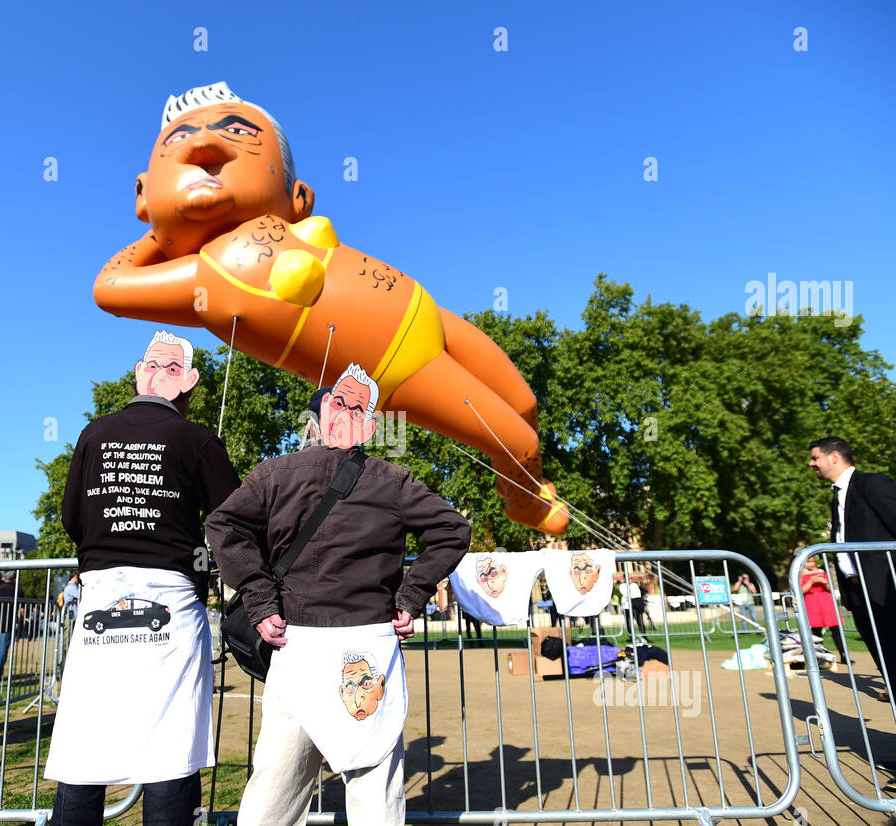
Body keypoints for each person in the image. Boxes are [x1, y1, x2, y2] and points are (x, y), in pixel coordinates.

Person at [93, 82, 567, 535]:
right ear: (143, 192)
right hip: (402, 362)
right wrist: (158, 225)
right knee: (518, 443)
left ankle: (522, 480)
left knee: (525, 404)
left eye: (238, 131)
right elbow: (111, 287)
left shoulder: (281, 233)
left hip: (427, 312)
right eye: (180, 139)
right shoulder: (209, 275)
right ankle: (523, 502)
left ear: (299, 198)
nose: (204, 146)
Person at [206, 362, 471, 826]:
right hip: (357, 647)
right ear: (332, 415)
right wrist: (410, 595)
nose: (343, 413)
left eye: (353, 407)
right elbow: (452, 529)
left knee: (276, 793)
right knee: (373, 798)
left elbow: (224, 525)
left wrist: (261, 600)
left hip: (302, 644)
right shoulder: (391, 480)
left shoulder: (275, 473)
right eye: (340, 403)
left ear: (363, 424)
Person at [42, 330, 240, 826]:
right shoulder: (198, 439)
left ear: (140, 375)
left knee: (87, 740)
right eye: (164, 366)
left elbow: (71, 517)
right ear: (185, 382)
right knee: (169, 751)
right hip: (170, 603)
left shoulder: (93, 434)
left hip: (102, 596)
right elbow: (235, 519)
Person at [808, 437, 896, 792]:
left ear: (834, 457)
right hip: (864, 598)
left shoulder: (873, 484)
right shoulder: (837, 495)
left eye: (815, 458)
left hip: (890, 596)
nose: (812, 464)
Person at [800, 556, 843, 656]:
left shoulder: (821, 572)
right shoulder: (801, 574)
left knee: (835, 628)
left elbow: (831, 588)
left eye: (813, 562)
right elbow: (801, 590)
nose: (811, 564)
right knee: (816, 629)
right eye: (809, 562)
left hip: (825, 600)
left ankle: (843, 653)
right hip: (811, 601)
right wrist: (811, 581)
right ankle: (820, 654)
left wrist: (824, 582)